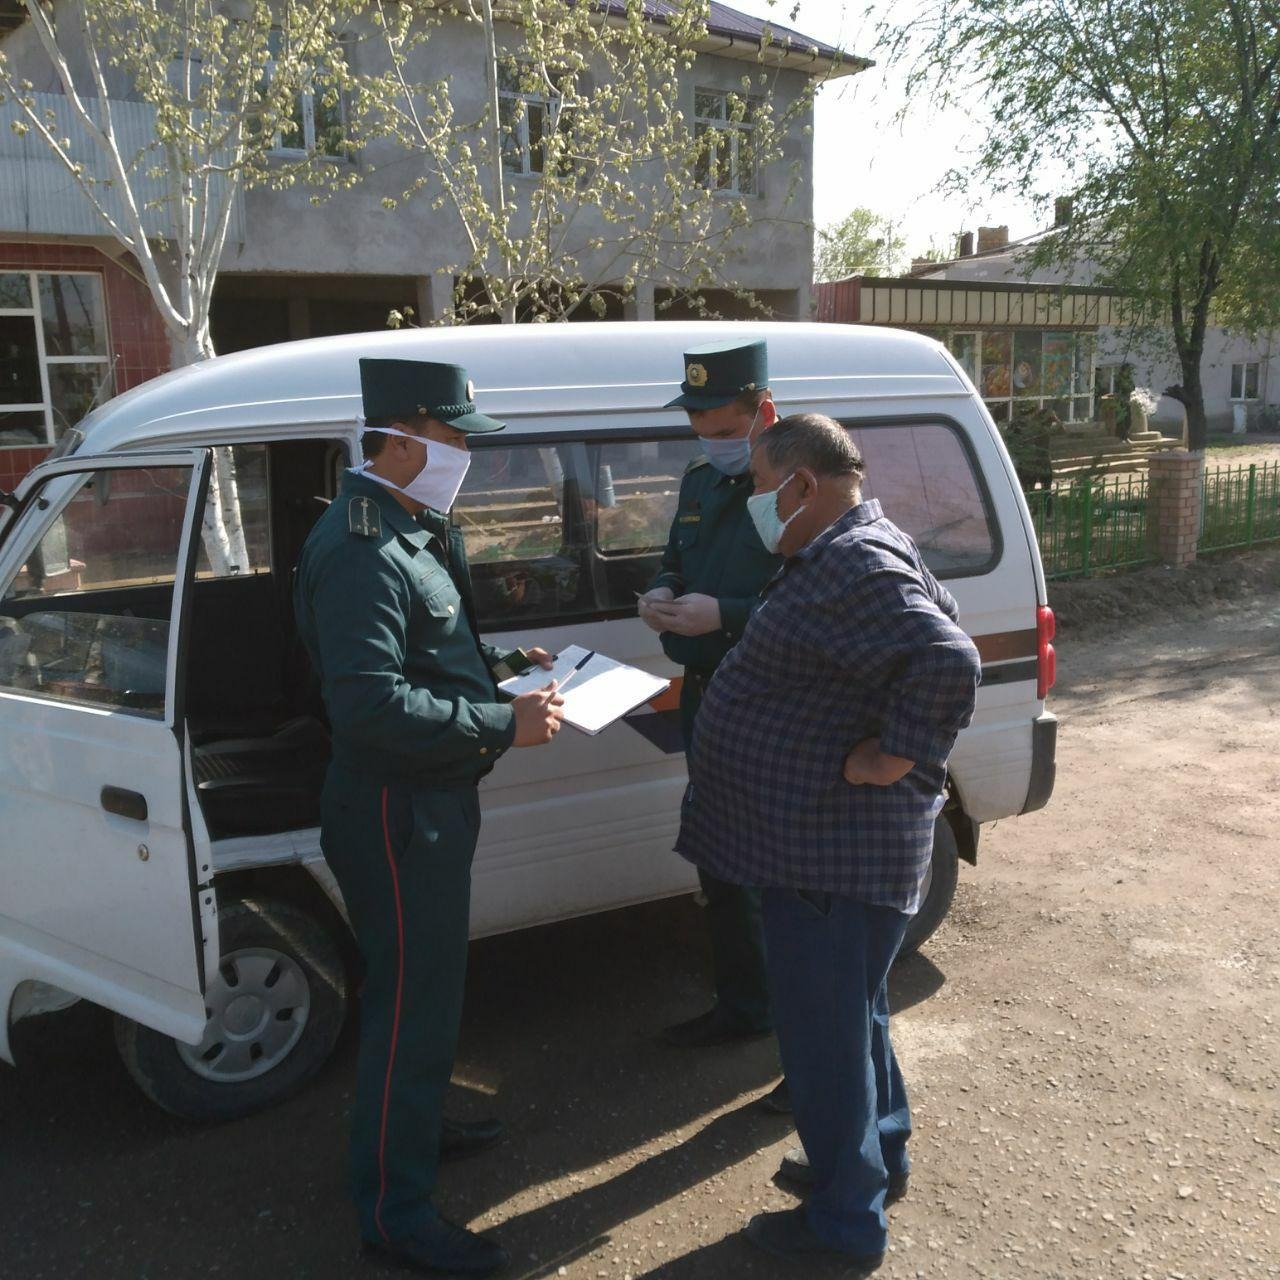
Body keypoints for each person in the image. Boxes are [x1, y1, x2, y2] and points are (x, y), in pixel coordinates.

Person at [675, 414, 980, 1270]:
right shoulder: (850, 545)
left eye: (761, 488)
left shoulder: (854, 561)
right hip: (829, 850)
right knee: (854, 1018)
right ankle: (878, 1160)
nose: (754, 505)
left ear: (802, 485)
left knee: (823, 1041)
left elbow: (949, 656)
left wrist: (893, 755)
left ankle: (843, 1226)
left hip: (829, 853)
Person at [294, 358, 565, 1277]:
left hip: (426, 800)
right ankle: (394, 1211)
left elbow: (427, 649)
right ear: (404, 440)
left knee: (421, 994)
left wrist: (503, 669)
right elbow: (368, 706)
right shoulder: (363, 547)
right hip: (397, 810)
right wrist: (503, 723)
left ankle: (411, 1126)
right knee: (413, 1004)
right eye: (456, 440)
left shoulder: (406, 525)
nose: (467, 458)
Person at [635, 338, 784, 1055]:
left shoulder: (794, 490)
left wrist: (725, 615)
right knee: (720, 860)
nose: (712, 444)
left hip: (771, 704)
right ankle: (745, 1004)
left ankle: (797, 1032)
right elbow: (676, 556)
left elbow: (820, 607)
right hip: (706, 698)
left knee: (779, 876)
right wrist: (661, 591)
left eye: (725, 430)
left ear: (764, 413)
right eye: (700, 429)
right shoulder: (700, 481)